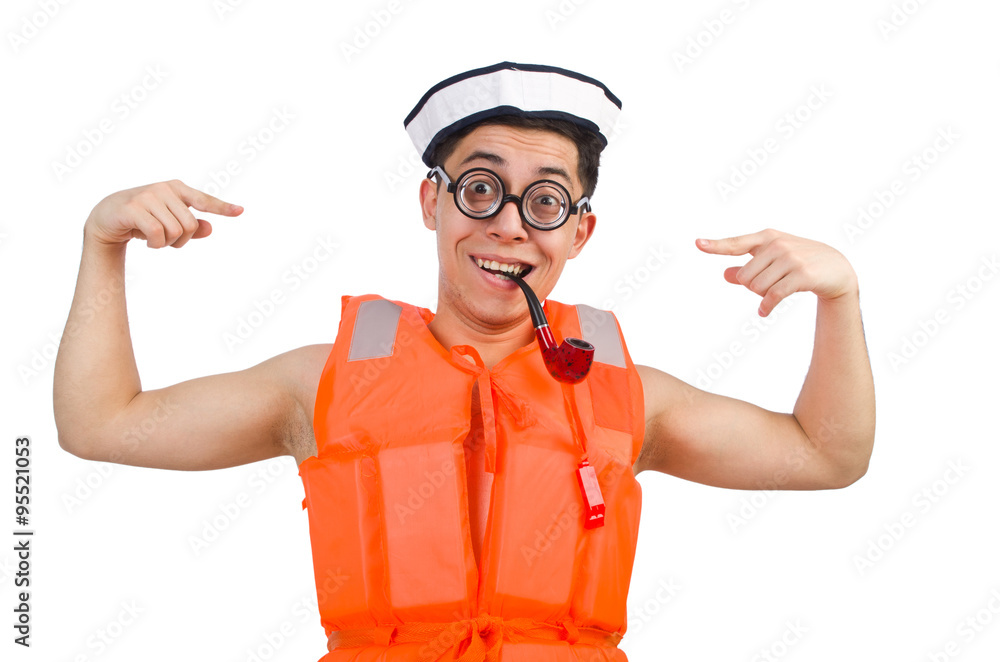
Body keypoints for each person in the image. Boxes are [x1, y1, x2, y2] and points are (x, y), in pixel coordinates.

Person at [53, 62, 875, 661]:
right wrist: (102, 245)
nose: (509, 225)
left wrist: (840, 299)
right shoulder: (320, 384)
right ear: (432, 203)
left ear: (579, 232)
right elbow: (100, 425)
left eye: (545, 201)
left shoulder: (633, 400)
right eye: (481, 188)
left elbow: (827, 454)